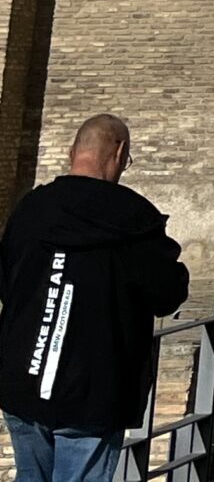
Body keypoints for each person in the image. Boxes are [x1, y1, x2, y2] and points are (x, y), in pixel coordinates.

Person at [0, 114, 189, 482]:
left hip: (24, 378)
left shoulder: (30, 209)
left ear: (73, 152)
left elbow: (7, 284)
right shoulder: (132, 219)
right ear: (118, 153)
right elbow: (167, 294)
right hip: (93, 389)